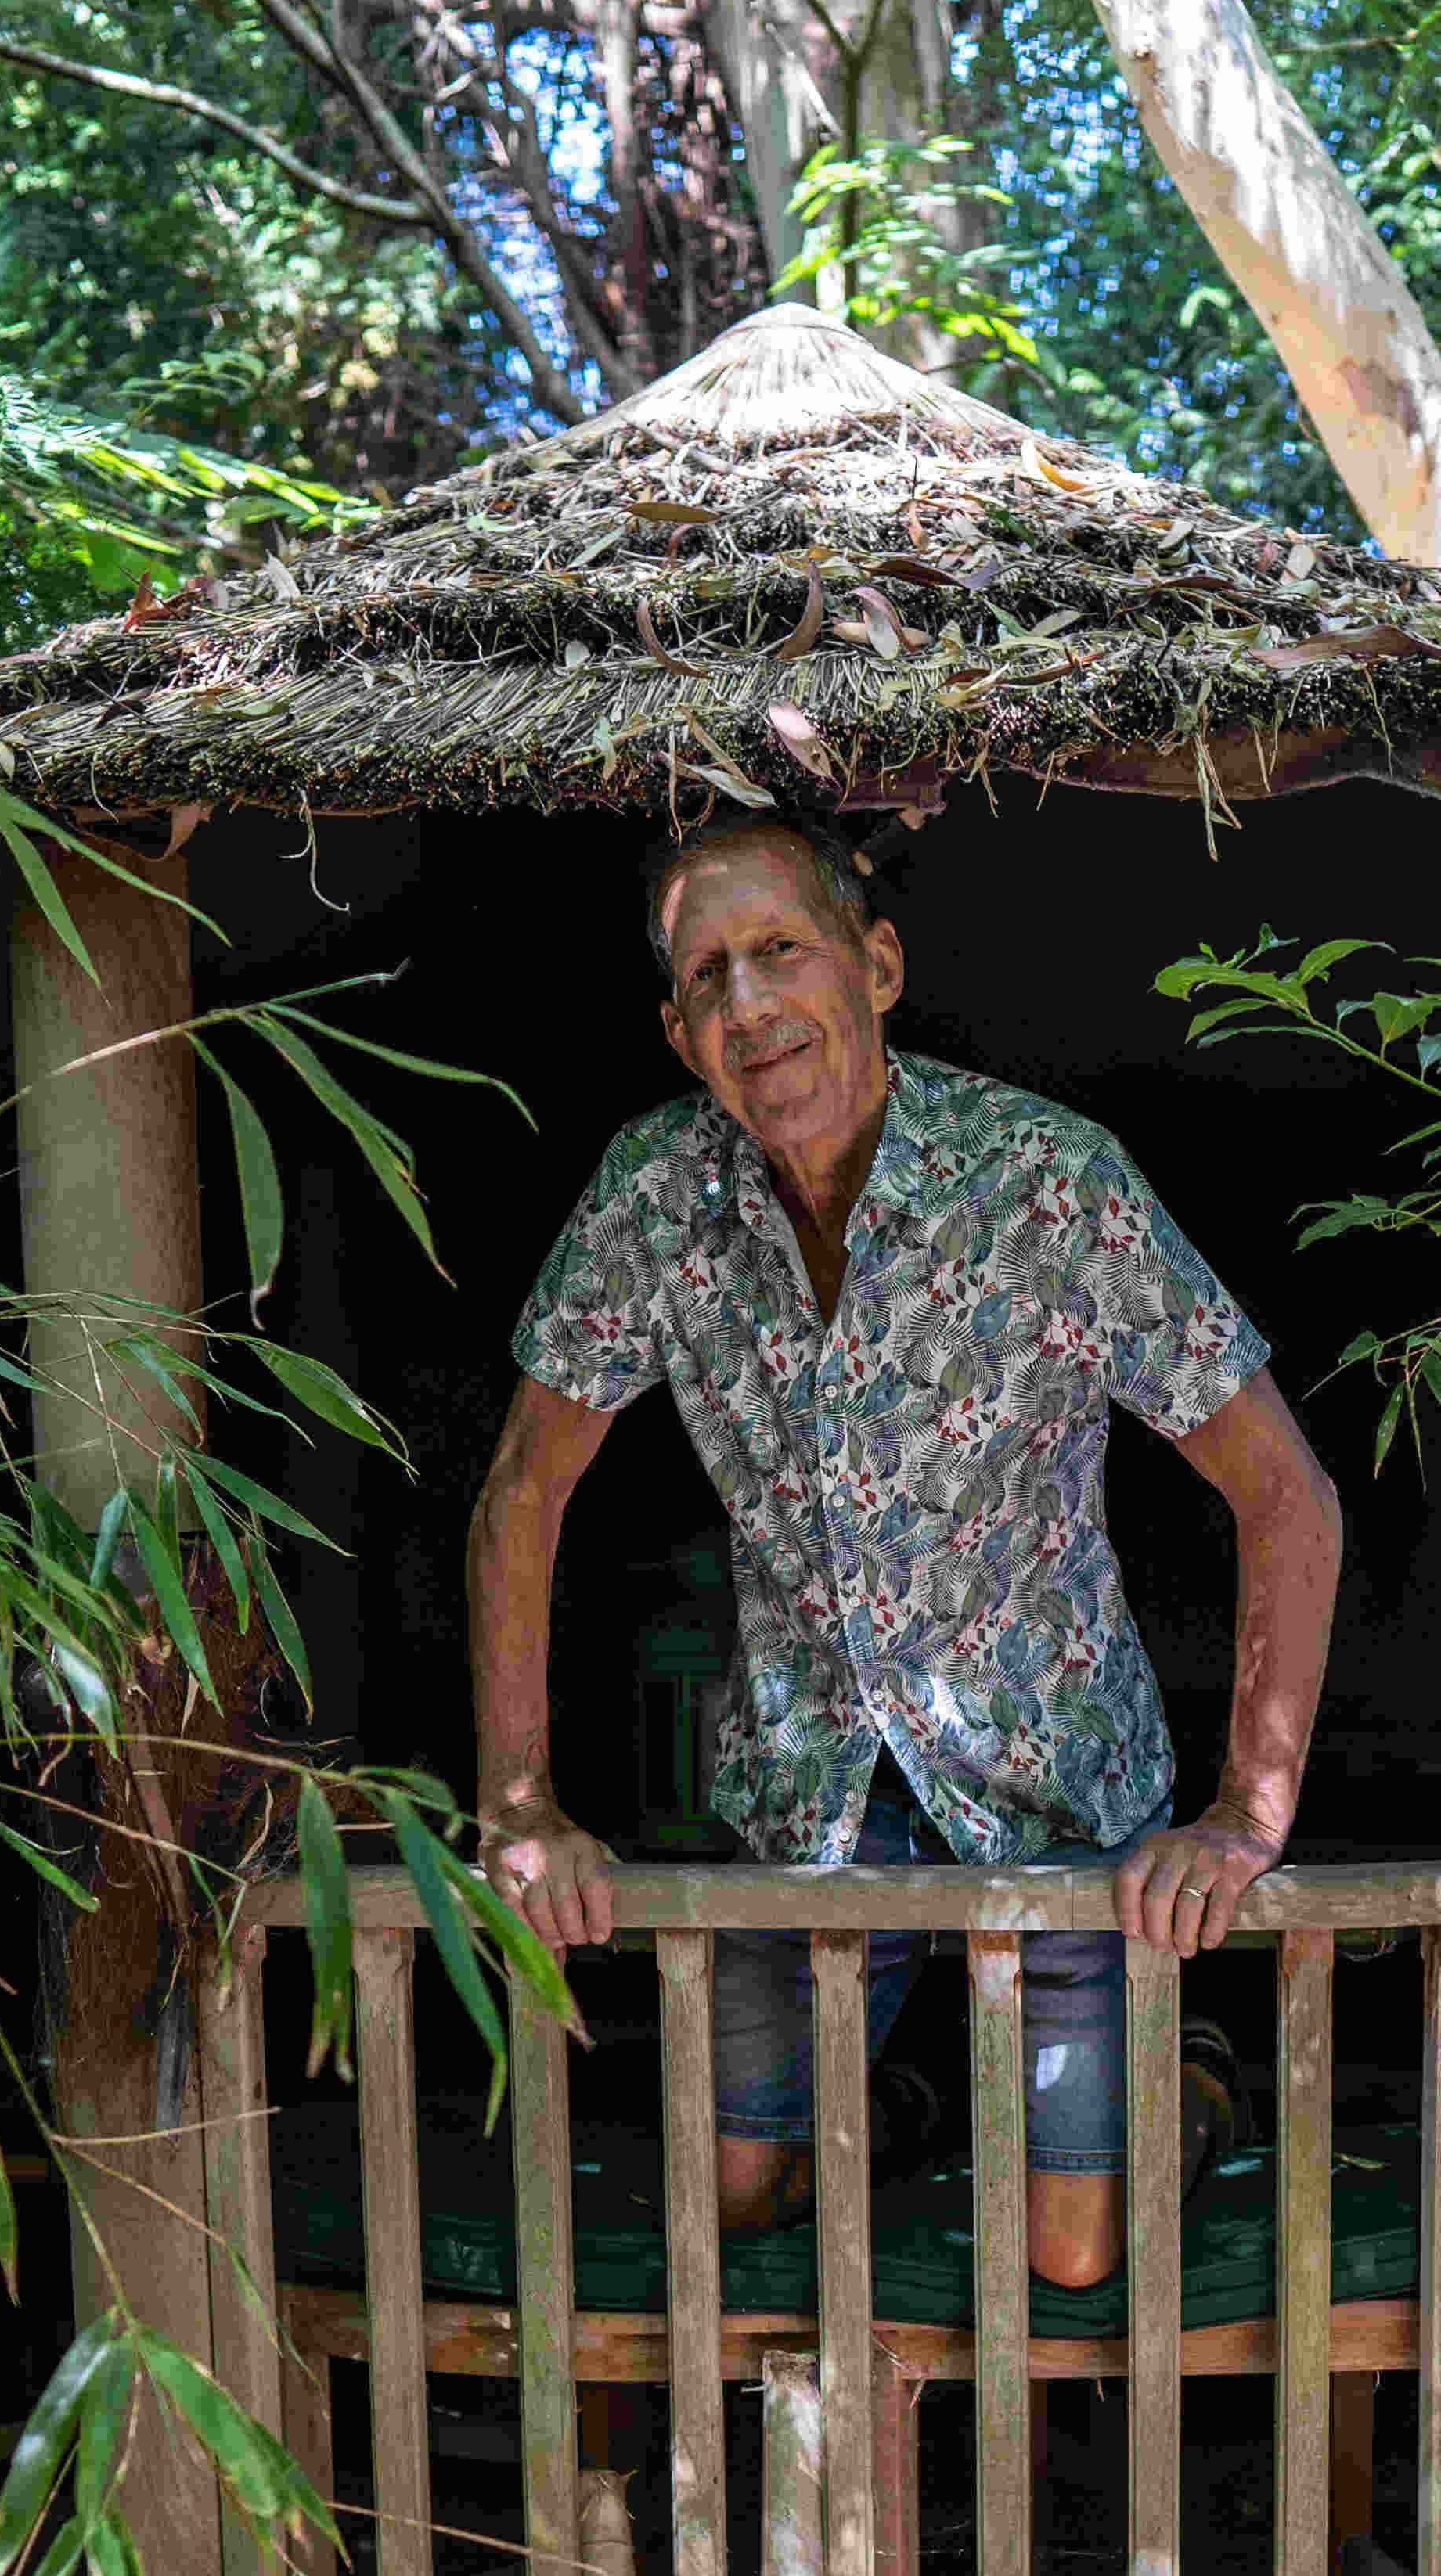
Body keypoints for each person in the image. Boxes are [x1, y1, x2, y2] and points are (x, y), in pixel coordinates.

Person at [465, 811, 1342, 2288]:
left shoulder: (1048, 1181)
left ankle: (1186, 2082)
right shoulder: (652, 1197)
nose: (747, 1006)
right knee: (737, 2198)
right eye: (704, 979)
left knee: (1075, 2251)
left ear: (875, 965)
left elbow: (1286, 1493)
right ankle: (920, 2102)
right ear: (677, 1035)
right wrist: (521, 1802)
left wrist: (1245, 1816)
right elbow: (519, 1496)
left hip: (1056, 1784)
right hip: (811, 1786)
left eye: (780, 951)